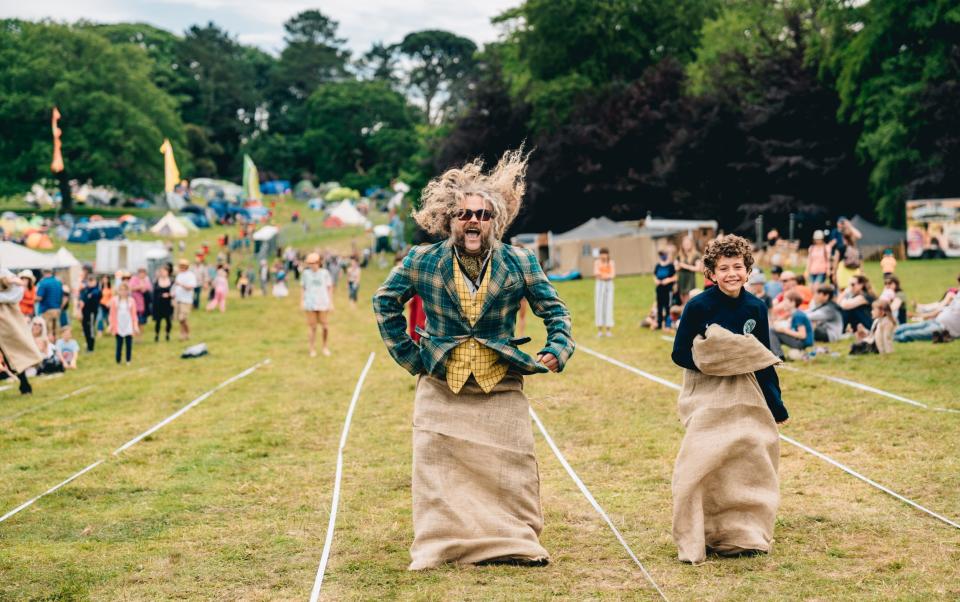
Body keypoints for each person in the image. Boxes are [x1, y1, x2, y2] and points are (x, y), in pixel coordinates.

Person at [372, 150, 574, 570]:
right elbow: (384, 302)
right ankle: (442, 545)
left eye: (482, 214)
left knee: (511, 469)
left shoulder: (520, 261)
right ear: (450, 220)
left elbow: (555, 311)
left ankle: (515, 542)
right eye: (464, 214)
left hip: (500, 382)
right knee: (438, 471)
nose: (473, 220)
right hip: (441, 382)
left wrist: (557, 348)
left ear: (494, 220)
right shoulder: (421, 260)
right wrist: (412, 358)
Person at [670, 234, 787, 564]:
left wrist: (775, 404)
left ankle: (742, 529)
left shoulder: (755, 308)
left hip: (745, 390)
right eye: (724, 268)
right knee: (704, 456)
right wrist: (715, 360)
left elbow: (762, 358)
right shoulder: (698, 306)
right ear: (711, 272)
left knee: (748, 453)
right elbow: (680, 353)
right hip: (706, 390)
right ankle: (702, 528)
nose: (732, 273)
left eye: (738, 267)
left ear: (748, 270)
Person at [0, 268, 43, 394]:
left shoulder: (5, 274)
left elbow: (13, 290)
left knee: (12, 353)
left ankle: (24, 382)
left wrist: (9, 280)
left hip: (4, 322)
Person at [894, 275, 960, 342]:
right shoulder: (958, 295)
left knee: (908, 334)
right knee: (906, 327)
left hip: (943, 329)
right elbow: (939, 311)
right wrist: (916, 316)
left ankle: (887, 339)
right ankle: (885, 334)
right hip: (935, 321)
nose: (958, 287)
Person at [301, 252, 334, 357]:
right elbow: (303, 288)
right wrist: (302, 301)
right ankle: (312, 349)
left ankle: (324, 347)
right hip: (310, 303)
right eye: (310, 263)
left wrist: (330, 302)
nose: (312, 265)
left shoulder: (324, 273)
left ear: (319, 263)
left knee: (325, 327)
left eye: (314, 262)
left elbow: (329, 287)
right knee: (312, 327)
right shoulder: (305, 274)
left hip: (323, 303)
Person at [771, 292, 814, 360]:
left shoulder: (798, 315)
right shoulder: (794, 313)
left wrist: (784, 330)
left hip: (802, 343)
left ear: (793, 303)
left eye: (785, 301)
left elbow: (802, 335)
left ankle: (779, 356)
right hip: (800, 342)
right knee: (773, 332)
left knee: (772, 331)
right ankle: (775, 354)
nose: (783, 303)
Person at [110, 282, 139, 364]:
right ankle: (118, 360)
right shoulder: (114, 300)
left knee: (128, 344)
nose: (123, 292)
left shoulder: (131, 301)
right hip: (118, 325)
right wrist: (111, 325)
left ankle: (128, 360)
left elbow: (134, 314)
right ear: (118, 291)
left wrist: (135, 325)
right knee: (119, 344)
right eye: (121, 290)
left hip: (128, 324)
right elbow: (112, 314)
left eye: (125, 290)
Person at [172, 259, 197, 341]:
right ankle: (184, 334)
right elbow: (175, 286)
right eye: (180, 266)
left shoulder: (190, 275)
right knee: (180, 319)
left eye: (183, 266)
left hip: (186, 300)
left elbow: (190, 287)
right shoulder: (179, 275)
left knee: (183, 318)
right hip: (178, 299)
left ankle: (186, 333)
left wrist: (181, 285)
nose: (181, 268)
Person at [34, 268, 63, 339]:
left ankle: (49, 348)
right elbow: (61, 296)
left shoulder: (43, 283)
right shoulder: (58, 282)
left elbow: (39, 297)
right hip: (57, 309)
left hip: (47, 310)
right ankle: (56, 347)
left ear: (43, 273)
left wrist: (32, 299)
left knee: (47, 331)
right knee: (56, 331)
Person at [593, 248, 615, 337]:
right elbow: (596, 273)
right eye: (601, 254)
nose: (603, 256)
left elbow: (612, 274)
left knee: (608, 306)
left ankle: (608, 330)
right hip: (600, 285)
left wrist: (603, 275)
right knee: (599, 306)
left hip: (609, 285)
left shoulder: (611, 262)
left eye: (604, 254)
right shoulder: (597, 263)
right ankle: (600, 330)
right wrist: (605, 275)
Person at [654, 250, 677, 329]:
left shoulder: (670, 266)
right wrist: (656, 281)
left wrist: (668, 280)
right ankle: (659, 324)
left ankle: (668, 324)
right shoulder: (658, 266)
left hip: (668, 289)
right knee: (659, 307)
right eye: (661, 255)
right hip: (659, 289)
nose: (662, 256)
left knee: (668, 307)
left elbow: (675, 277)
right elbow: (654, 276)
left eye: (663, 254)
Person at [78, 274, 102, 352]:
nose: (90, 282)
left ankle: (91, 347)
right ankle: (88, 343)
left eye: (92, 280)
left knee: (91, 329)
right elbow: (81, 297)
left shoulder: (96, 290)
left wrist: (85, 299)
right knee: (85, 329)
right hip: (84, 312)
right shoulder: (85, 289)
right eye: (89, 280)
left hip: (92, 312)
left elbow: (95, 294)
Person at [676, 236, 702, 303]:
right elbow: (675, 267)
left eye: (688, 243)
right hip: (681, 280)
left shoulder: (696, 255)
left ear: (691, 244)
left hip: (690, 280)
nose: (686, 245)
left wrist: (685, 266)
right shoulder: (679, 255)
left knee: (689, 300)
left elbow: (698, 268)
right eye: (684, 244)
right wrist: (678, 266)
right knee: (682, 299)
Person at [153, 266, 174, 342]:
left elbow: (174, 291)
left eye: (164, 271)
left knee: (168, 321)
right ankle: (157, 335)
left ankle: (167, 334)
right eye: (162, 271)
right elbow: (154, 293)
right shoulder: (157, 282)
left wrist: (169, 295)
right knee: (158, 321)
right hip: (159, 304)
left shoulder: (171, 281)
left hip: (168, 304)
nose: (163, 273)